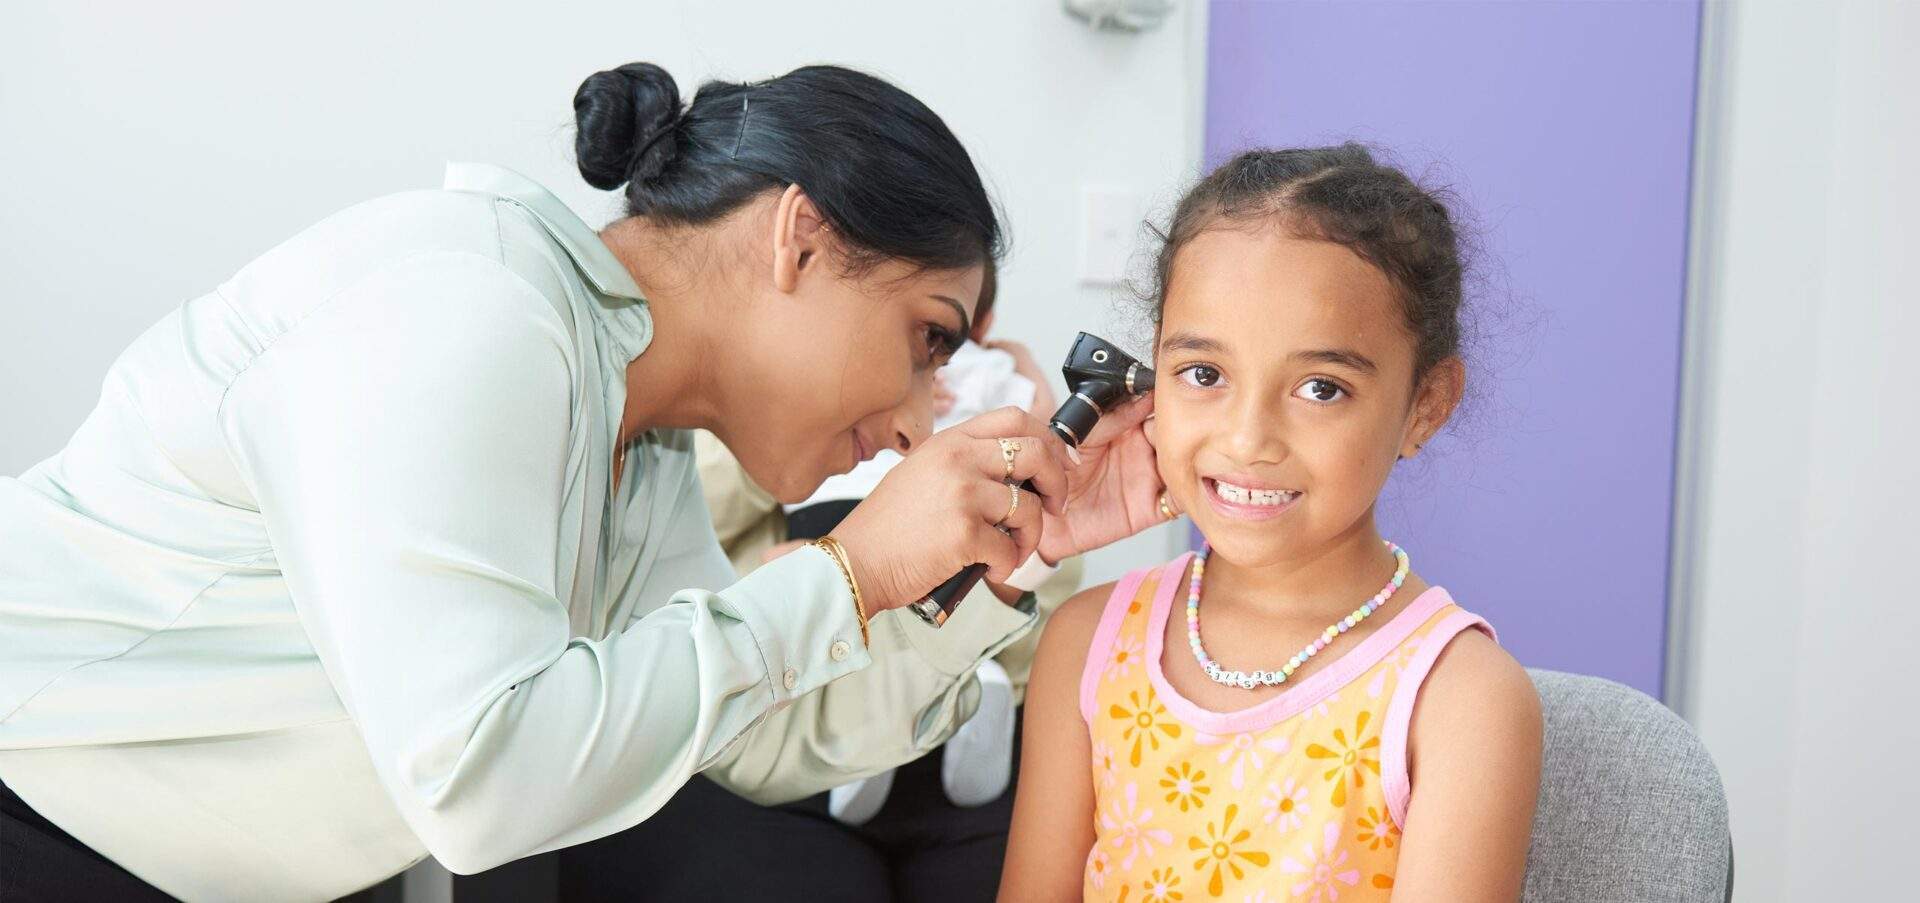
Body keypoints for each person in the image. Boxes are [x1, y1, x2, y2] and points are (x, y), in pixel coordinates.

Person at [0, 61, 1167, 902]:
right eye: (927, 340)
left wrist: (1018, 561)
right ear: (798, 241)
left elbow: (754, 736)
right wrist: (851, 566)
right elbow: (486, 782)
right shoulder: (471, 305)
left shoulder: (636, 436)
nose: (920, 423)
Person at [999, 146, 1544, 901]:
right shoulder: (1087, 642)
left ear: (1425, 403)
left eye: (1321, 388)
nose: (1248, 438)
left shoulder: (1462, 699)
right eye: (1204, 374)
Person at [579, 263, 1080, 903]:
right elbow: (675, 532)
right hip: (798, 713)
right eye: (909, 336)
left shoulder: (1001, 405)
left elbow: (1043, 604)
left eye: (939, 339)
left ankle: (962, 696)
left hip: (957, 723)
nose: (919, 391)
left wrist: (1032, 450)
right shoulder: (758, 405)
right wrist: (808, 435)